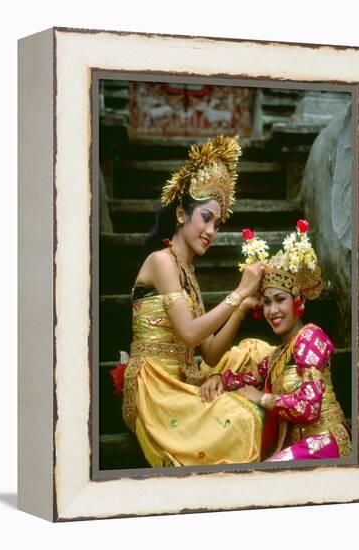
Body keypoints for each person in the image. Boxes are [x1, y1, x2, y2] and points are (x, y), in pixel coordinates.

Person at [121, 135, 274, 467]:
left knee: (255, 352)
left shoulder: (187, 272)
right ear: (181, 213)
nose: (212, 231)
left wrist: (244, 305)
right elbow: (190, 334)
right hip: (157, 385)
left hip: (186, 374)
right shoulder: (161, 261)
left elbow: (210, 351)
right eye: (206, 218)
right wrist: (239, 292)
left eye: (217, 224)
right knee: (242, 418)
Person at [212, 221, 352, 461]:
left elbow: (309, 407)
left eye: (279, 299)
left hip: (326, 442)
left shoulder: (310, 338)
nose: (272, 310)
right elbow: (249, 377)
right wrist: (219, 379)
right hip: (301, 446)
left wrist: (261, 398)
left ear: (299, 301)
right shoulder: (279, 355)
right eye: (266, 302)